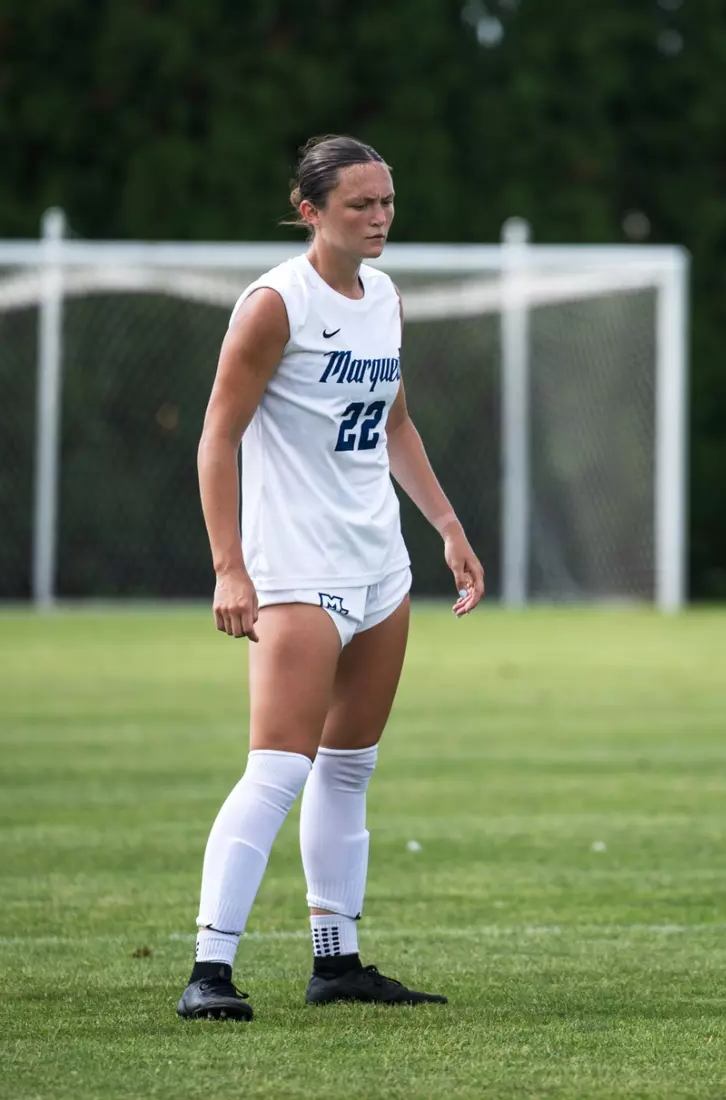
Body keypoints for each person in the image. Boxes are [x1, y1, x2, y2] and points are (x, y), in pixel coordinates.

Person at [176, 135, 485, 1021]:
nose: (380, 218)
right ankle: (210, 971)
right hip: (296, 573)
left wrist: (449, 529)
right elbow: (216, 438)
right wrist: (229, 566)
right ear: (310, 210)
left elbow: (392, 423)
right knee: (277, 768)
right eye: (360, 204)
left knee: (349, 768)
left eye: (387, 202)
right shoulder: (274, 304)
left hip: (379, 568)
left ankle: (335, 959)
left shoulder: (384, 296)